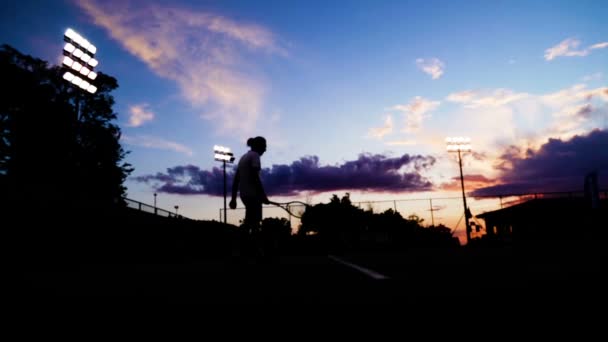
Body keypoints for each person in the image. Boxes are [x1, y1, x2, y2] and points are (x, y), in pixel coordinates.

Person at [229, 136, 270, 236]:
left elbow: (236, 180)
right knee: (255, 224)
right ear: (259, 146)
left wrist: (233, 199)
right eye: (264, 146)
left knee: (249, 222)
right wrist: (263, 195)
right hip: (253, 196)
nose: (265, 149)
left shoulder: (243, 157)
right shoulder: (255, 156)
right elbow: (255, 177)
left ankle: (244, 246)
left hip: (245, 196)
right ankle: (252, 249)